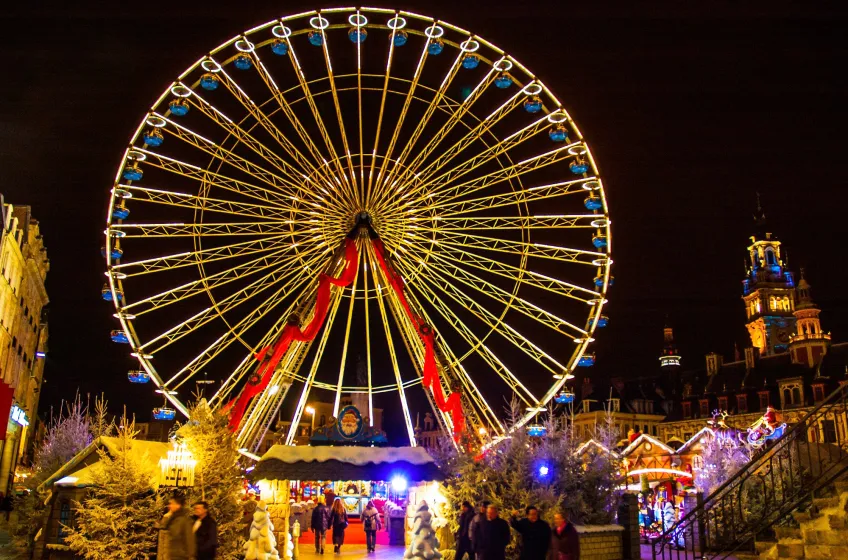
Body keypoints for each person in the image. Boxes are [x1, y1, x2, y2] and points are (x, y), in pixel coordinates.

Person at [164, 495, 196, 560]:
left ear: (178, 505)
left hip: (181, 556)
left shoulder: (184, 520)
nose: (169, 506)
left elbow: (189, 538)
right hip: (174, 555)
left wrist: (191, 556)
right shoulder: (173, 518)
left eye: (172, 503)